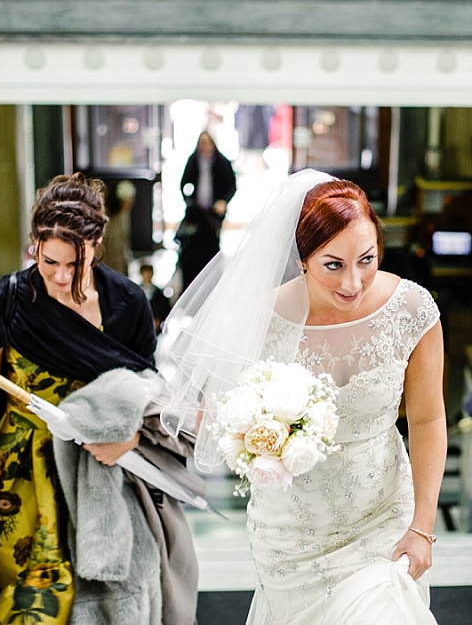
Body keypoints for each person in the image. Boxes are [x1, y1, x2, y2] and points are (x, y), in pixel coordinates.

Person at [159, 169, 447, 624]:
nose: (353, 282)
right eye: (333, 264)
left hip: (382, 520)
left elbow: (429, 420)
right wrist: (261, 440)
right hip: (290, 536)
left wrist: (423, 528)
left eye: (367, 259)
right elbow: (221, 420)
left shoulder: (412, 310)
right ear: (302, 260)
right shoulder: (259, 319)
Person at [0, 173, 198, 625]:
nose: (59, 276)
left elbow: (146, 398)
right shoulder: (7, 300)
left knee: (100, 601)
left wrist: (130, 440)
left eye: (74, 264)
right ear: (34, 245)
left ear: (95, 245)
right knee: (30, 600)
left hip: (96, 471)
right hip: (16, 473)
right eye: (48, 260)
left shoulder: (128, 304)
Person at [179, 131, 236, 232]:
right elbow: (185, 182)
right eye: (201, 142)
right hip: (196, 209)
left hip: (214, 208)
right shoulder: (193, 161)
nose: (204, 146)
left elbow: (231, 185)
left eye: (206, 142)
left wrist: (223, 201)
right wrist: (189, 200)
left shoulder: (222, 162)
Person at [101, 179, 136, 274]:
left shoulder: (124, 216)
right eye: (127, 201)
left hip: (120, 269)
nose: (129, 205)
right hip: (106, 269)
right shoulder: (106, 218)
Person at [139, 262, 171, 332]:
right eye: (145, 273)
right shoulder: (136, 292)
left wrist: (159, 319)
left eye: (149, 273)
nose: (147, 275)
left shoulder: (159, 294)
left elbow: (165, 309)